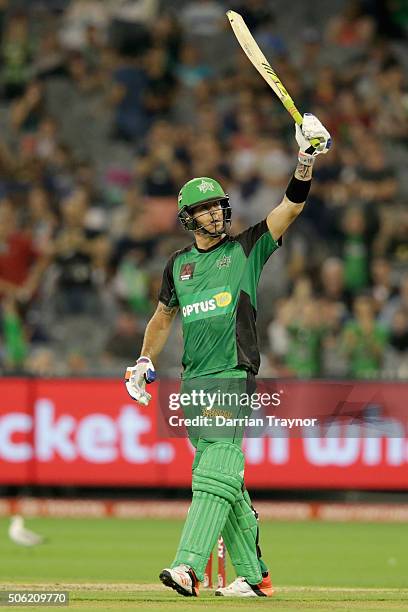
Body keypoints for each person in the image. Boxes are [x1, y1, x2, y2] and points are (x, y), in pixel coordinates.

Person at [124, 113, 331, 597]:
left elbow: (291, 208)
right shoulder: (178, 265)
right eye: (207, 209)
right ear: (188, 218)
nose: (217, 214)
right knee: (223, 477)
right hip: (192, 379)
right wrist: (143, 361)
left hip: (231, 374)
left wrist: (306, 159)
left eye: (219, 206)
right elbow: (161, 319)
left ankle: (188, 567)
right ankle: (256, 577)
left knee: (215, 466)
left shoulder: (247, 249)